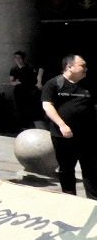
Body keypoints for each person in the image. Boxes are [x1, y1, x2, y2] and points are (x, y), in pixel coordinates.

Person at [40, 54, 96, 199]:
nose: (86, 68)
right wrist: (62, 125)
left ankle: (93, 200)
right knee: (66, 169)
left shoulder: (89, 84)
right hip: (63, 135)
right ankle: (69, 198)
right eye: (82, 65)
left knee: (91, 169)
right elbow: (47, 105)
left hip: (88, 135)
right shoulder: (54, 84)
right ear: (69, 67)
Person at [9, 51, 43, 131]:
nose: (17, 60)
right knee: (19, 108)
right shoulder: (13, 69)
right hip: (18, 91)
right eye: (15, 58)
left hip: (29, 91)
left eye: (19, 58)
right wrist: (16, 82)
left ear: (23, 59)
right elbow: (11, 81)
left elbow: (35, 79)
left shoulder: (30, 68)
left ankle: (30, 125)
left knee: (29, 107)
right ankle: (22, 126)